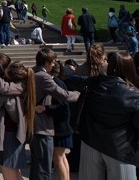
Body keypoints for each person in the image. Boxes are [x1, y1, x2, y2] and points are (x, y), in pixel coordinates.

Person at [79, 52, 139, 180]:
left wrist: (101, 75)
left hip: (90, 141)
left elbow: (71, 80)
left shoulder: (94, 84)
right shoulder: (132, 94)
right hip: (120, 147)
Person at [30, 48, 80, 180]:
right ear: (47, 62)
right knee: (44, 166)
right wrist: (80, 94)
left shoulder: (32, 72)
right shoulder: (44, 77)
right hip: (42, 126)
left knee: (40, 163)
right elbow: (64, 96)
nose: (54, 65)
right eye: (52, 62)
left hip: (35, 124)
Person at [36, 61, 73, 180]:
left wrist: (45, 108)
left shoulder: (56, 83)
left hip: (60, 126)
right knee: (61, 157)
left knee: (58, 157)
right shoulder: (57, 82)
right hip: (62, 125)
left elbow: (63, 106)